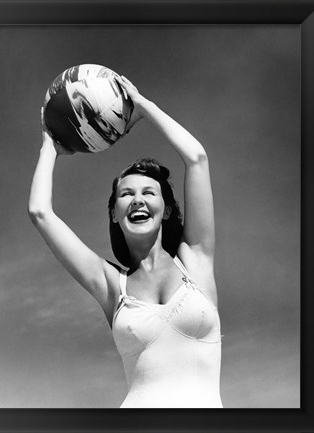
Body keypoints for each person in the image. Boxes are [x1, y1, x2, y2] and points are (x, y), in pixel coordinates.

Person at [28, 75, 223, 408]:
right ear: (115, 214)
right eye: (126, 194)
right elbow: (40, 212)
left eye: (149, 193)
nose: (137, 200)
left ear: (166, 210)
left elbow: (197, 159)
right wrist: (51, 145)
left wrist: (143, 106)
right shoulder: (112, 286)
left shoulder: (196, 260)